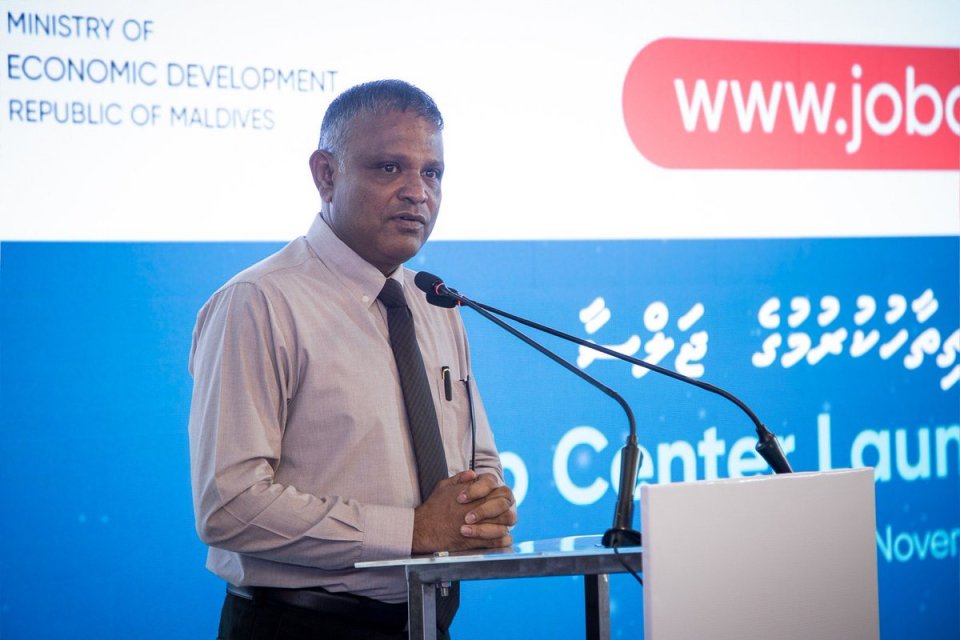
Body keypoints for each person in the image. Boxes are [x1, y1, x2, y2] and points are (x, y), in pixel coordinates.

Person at [188, 79, 517, 640]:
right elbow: (230, 503)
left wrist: (485, 503)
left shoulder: (436, 304)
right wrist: (412, 531)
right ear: (325, 174)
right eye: (389, 168)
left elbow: (477, 459)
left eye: (432, 173)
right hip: (299, 626)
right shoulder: (259, 302)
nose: (417, 192)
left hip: (427, 621)